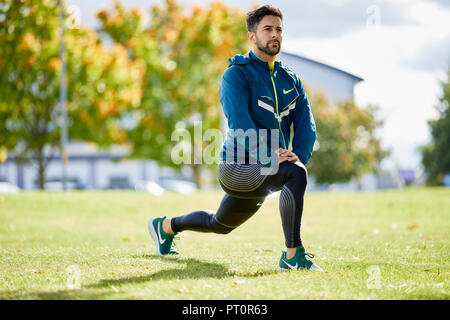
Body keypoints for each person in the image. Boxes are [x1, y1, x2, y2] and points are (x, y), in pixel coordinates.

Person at [148, 5, 323, 272]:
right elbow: (240, 123)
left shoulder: (292, 80)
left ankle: (166, 226)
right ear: (252, 36)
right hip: (237, 166)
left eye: (278, 29)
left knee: (219, 225)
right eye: (267, 29)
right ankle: (292, 256)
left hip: (270, 167)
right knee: (295, 173)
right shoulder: (236, 74)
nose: (274, 34)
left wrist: (297, 153)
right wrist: (273, 156)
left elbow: (305, 124)